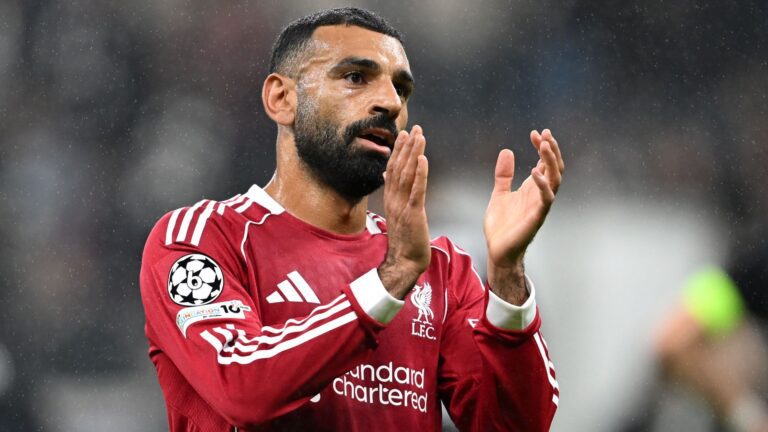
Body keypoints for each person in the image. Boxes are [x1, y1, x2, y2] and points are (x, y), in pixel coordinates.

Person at [140, 7, 563, 432]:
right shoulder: (202, 239)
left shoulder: (439, 268)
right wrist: (391, 279)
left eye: (401, 89)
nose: (390, 103)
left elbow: (514, 425)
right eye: (356, 77)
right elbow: (243, 387)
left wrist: (507, 278)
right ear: (282, 99)